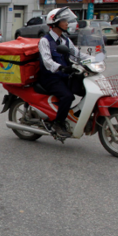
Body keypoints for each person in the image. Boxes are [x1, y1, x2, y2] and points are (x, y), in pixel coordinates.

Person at [37, 7, 87, 138]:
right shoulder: (45, 41)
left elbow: (77, 54)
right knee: (68, 96)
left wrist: (93, 60)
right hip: (50, 77)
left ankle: (75, 116)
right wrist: (61, 68)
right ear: (55, 24)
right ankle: (58, 123)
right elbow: (47, 62)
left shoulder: (65, 39)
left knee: (83, 89)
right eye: (64, 21)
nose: (67, 23)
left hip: (64, 75)